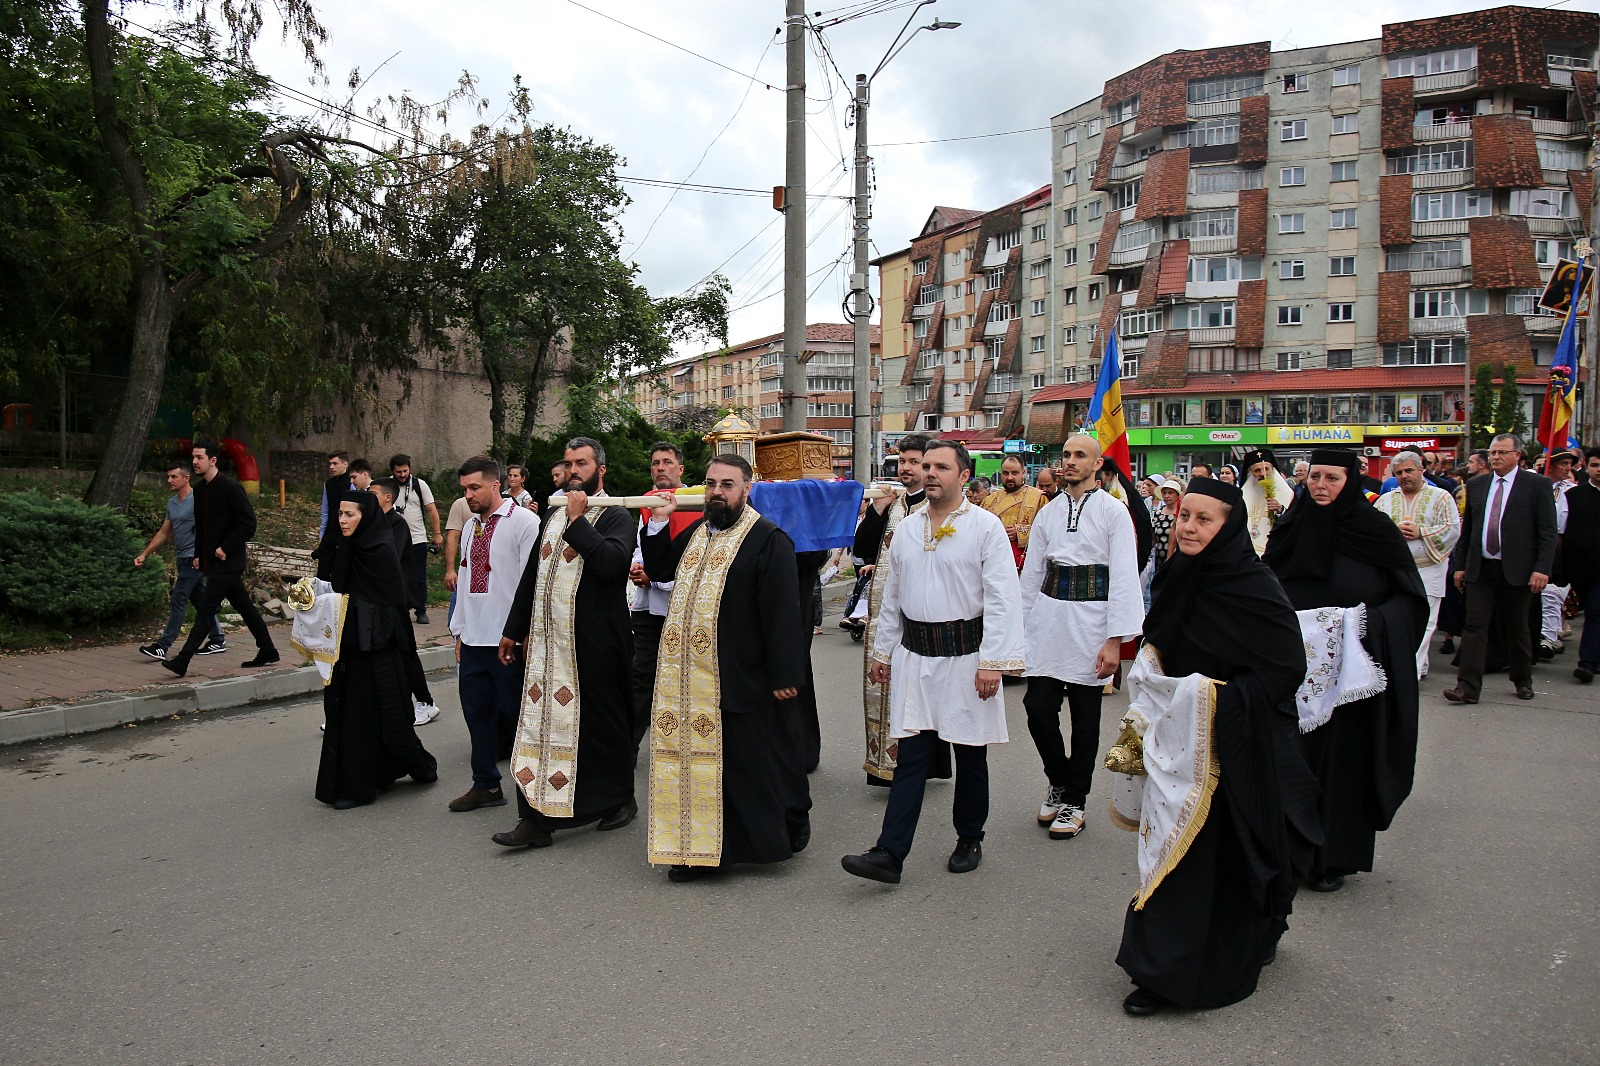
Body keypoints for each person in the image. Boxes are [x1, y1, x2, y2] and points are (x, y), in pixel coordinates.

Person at [1116, 477, 1320, 1016]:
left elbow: (1284, 670)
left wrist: (1211, 699)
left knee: (1237, 854)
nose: (1188, 527)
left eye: (1204, 520)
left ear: (1228, 529)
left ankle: (1240, 941)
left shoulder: (1256, 586)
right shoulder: (1179, 574)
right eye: (1185, 516)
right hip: (1180, 742)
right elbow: (1162, 640)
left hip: (1238, 742)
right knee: (1171, 853)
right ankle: (1161, 971)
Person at [840, 441, 1025, 884]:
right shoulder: (907, 528)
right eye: (926, 466)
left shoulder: (985, 527)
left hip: (966, 657)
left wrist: (993, 662)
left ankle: (969, 837)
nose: (930, 473)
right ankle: (889, 853)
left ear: (963, 476)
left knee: (969, 752)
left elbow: (1003, 598)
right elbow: (893, 597)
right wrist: (884, 651)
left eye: (941, 467)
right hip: (916, 657)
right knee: (910, 757)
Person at [639, 453, 810, 882]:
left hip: (742, 672)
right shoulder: (698, 531)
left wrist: (786, 675)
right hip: (691, 677)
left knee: (757, 763)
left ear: (746, 489)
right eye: (711, 482)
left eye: (727, 484)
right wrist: (659, 523)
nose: (717, 491)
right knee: (707, 767)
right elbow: (661, 570)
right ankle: (706, 850)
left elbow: (783, 613)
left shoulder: (768, 539)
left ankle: (790, 820)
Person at [1265, 449, 1428, 892]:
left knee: (1342, 765)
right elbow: (1263, 587)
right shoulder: (1291, 528)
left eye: (1331, 478)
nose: (1320, 485)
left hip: (1351, 677)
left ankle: (1331, 859)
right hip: (1294, 671)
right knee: (1289, 760)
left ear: (1350, 481)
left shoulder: (1374, 530)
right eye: (1315, 476)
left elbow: (1409, 601)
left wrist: (1366, 626)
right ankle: (1284, 850)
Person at [492, 438, 637, 849]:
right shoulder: (552, 514)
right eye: (570, 463)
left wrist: (578, 522)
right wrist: (512, 627)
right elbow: (532, 577)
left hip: (595, 645)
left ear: (600, 470)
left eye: (583, 463)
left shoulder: (615, 515)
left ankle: (618, 800)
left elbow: (612, 566)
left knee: (601, 728)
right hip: (547, 646)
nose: (574, 470)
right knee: (539, 728)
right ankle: (535, 821)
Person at [1020, 434, 1143, 841]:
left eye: (1079, 456)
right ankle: (1060, 778)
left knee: (1086, 718)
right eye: (1066, 455)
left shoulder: (1113, 512)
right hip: (1049, 618)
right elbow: (1032, 574)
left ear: (1096, 465)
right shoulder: (1049, 512)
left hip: (1093, 622)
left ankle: (1076, 800)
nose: (1069, 462)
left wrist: (1114, 641)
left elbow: (1125, 576)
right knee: (1037, 708)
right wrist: (1017, 631)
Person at [315, 490, 438, 809]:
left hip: (380, 648)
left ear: (365, 516)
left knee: (383, 716)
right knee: (348, 714)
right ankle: (358, 781)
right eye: (339, 514)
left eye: (349, 515)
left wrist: (354, 609)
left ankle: (398, 772)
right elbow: (337, 587)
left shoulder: (381, 548)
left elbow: (390, 604)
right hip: (349, 647)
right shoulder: (346, 545)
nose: (342, 520)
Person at [851, 433, 951, 788]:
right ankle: (884, 764)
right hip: (884, 614)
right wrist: (876, 513)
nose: (908, 469)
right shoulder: (892, 504)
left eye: (917, 462)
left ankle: (917, 766)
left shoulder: (939, 507)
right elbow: (862, 549)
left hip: (921, 616)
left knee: (917, 694)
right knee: (884, 686)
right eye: (904, 462)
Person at [445, 457, 541, 813]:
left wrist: (525, 632)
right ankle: (485, 784)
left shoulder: (525, 523)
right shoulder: (471, 526)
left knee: (519, 716)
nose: (468, 495)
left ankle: (531, 791)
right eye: (464, 489)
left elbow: (532, 582)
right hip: (474, 640)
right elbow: (468, 584)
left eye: (475, 488)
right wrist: (459, 630)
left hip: (508, 641)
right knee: (477, 714)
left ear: (496, 485)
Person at [1443, 434, 1559, 704]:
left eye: (1502, 452)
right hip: (1481, 568)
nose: (1495, 457)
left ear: (1517, 455)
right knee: (1474, 626)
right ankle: (1467, 687)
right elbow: (1469, 529)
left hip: (1518, 569)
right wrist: (1460, 566)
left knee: (1517, 627)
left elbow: (1547, 532)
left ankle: (1522, 679)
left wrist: (1541, 569)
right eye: (1493, 452)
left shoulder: (1537, 485)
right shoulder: (1478, 484)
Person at [161, 440, 279, 677]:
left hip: (230, 561)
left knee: (205, 608)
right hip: (212, 562)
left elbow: (248, 523)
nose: (194, 462)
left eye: (199, 458)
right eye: (193, 457)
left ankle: (182, 660)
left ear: (212, 460)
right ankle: (268, 650)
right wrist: (198, 555)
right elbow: (202, 529)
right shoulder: (201, 490)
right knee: (244, 606)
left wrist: (226, 547)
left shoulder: (231, 488)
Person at [628, 442, 694, 750]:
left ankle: (684, 740)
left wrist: (655, 578)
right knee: (642, 678)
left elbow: (690, 557)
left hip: (681, 608)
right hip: (647, 609)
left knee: (685, 678)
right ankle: (628, 745)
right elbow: (639, 545)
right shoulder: (645, 502)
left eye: (667, 462)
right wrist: (638, 567)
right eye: (655, 463)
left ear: (680, 469)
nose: (660, 468)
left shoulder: (694, 502)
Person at [1375, 451, 1461, 678]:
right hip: (1396, 570)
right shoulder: (1386, 500)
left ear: (1422, 469)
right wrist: (1394, 532)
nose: (1404, 476)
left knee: (1427, 621)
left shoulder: (1441, 496)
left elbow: (1453, 528)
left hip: (1429, 567)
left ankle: (1410, 672)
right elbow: (1374, 531)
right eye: (1400, 472)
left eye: (1409, 470)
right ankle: (1413, 666)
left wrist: (1421, 532)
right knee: (1400, 619)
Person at [136, 463, 227, 661]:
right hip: (182, 558)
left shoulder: (200, 499)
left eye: (174, 477)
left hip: (194, 559)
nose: (169, 480)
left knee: (179, 598)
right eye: (168, 477)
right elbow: (163, 533)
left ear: (186, 478)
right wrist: (145, 554)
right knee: (201, 600)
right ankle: (217, 639)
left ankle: (163, 645)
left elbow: (213, 528)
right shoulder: (172, 504)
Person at [371, 477, 442, 726]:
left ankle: (426, 702)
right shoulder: (373, 523)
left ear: (387, 497)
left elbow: (388, 558)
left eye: (373, 494)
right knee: (372, 656)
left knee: (406, 652)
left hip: (396, 600)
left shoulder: (396, 524)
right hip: (373, 600)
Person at [389, 454, 442, 625]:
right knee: (396, 575)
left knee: (419, 576)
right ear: (393, 471)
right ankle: (400, 608)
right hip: (393, 540)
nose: (402, 475)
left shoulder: (419, 485)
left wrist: (437, 534)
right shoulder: (386, 485)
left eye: (405, 471)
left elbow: (432, 510)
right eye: (399, 472)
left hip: (417, 538)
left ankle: (421, 610)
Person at [1537, 447, 1579, 659]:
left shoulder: (1572, 490)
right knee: (1541, 595)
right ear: (1550, 466)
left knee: (1554, 594)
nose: (1568, 468)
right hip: (1538, 543)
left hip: (1562, 545)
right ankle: (1547, 636)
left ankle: (1549, 635)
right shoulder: (1536, 485)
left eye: (1569, 464)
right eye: (1563, 464)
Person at [1564, 447, 1600, 683]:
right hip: (1582, 569)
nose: (1599, 470)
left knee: (1596, 612)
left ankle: (1586, 663)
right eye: (1596, 465)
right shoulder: (1574, 496)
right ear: (1587, 466)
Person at [982, 454, 1047, 569]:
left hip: (1024, 565)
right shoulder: (989, 500)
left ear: (1023, 472)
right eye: (1006, 473)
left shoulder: (1038, 498)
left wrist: (1020, 531)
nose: (1010, 477)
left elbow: (1048, 531)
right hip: (992, 562)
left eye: (1014, 473)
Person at [1239, 448, 1292, 556]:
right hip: (1247, 552)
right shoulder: (1241, 495)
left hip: (1275, 551)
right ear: (1250, 473)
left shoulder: (1289, 495)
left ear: (1272, 470)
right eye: (1257, 470)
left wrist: (1280, 510)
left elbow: (1294, 523)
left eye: (1266, 469)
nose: (1263, 474)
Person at [319, 451, 351, 537]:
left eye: (335, 463)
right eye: (330, 464)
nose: (331, 467)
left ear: (345, 464)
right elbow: (325, 510)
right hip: (331, 529)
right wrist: (322, 533)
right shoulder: (328, 484)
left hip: (347, 530)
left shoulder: (351, 482)